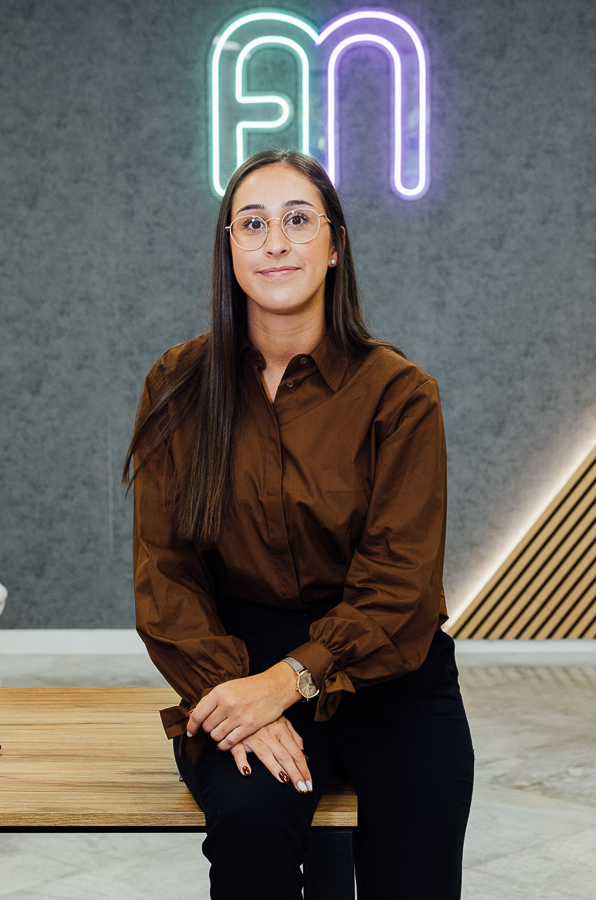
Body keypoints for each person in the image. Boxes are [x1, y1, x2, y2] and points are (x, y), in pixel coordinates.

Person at [123, 150, 474, 900]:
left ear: (335, 245)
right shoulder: (178, 385)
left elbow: (400, 587)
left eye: (297, 220)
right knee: (251, 828)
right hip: (238, 661)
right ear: (229, 250)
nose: (275, 242)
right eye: (252, 224)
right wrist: (236, 697)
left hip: (391, 675)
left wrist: (289, 682)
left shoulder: (401, 395)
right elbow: (167, 574)